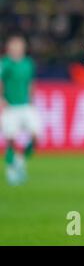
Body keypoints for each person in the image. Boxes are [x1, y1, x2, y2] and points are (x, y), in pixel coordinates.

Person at [0, 35, 41, 185]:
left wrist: (31, 99)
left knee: (36, 136)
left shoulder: (28, 63)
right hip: (10, 107)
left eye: (19, 45)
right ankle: (11, 170)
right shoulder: (5, 63)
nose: (16, 48)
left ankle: (20, 159)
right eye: (14, 45)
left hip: (25, 106)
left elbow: (30, 82)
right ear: (9, 48)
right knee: (10, 140)